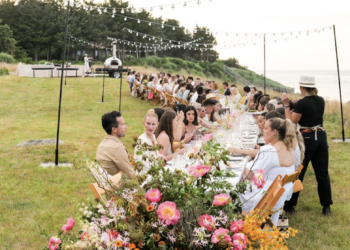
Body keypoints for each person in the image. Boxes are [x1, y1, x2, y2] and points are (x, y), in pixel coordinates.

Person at [282, 76, 332, 215]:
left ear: (302, 88)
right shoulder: (321, 100)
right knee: (322, 173)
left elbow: (291, 123)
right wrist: (297, 104)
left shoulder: (302, 103)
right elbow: (310, 109)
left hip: (307, 138)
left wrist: (286, 105)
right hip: (321, 136)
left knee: (299, 171)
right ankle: (326, 206)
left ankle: (290, 206)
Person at [235, 118, 297, 226]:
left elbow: (250, 176)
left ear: (274, 132)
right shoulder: (288, 147)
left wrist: (238, 165)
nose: (263, 131)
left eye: (266, 128)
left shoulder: (269, 150)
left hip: (262, 201)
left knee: (229, 192)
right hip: (275, 199)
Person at [96, 111, 135, 179]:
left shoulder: (102, 144)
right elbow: (131, 175)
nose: (126, 127)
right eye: (123, 124)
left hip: (107, 185)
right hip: (118, 187)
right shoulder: (117, 148)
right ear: (114, 129)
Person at [134, 110, 161, 174]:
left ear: (157, 124)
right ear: (143, 123)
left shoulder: (154, 136)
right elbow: (141, 164)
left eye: (153, 124)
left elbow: (155, 156)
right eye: (148, 123)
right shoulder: (141, 140)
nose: (150, 127)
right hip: (145, 176)